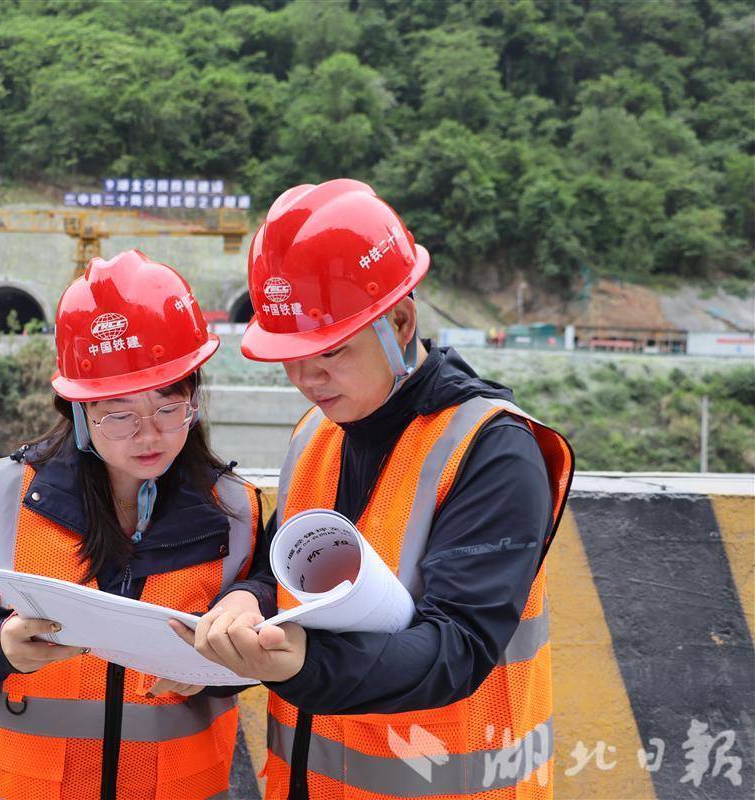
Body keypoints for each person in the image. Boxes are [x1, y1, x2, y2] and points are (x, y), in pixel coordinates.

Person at [173, 180, 574, 799]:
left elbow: (459, 647)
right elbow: (281, 567)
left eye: (330, 351)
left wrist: (304, 662)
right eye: (291, 355)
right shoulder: (316, 434)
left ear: (401, 321)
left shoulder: (491, 450)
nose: (307, 378)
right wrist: (249, 599)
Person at [0, 249, 275, 800]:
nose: (149, 435)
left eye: (168, 406)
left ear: (194, 397)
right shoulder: (4, 493)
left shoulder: (236, 510)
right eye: (120, 415)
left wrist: (224, 656)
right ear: (79, 411)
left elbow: (269, 626)